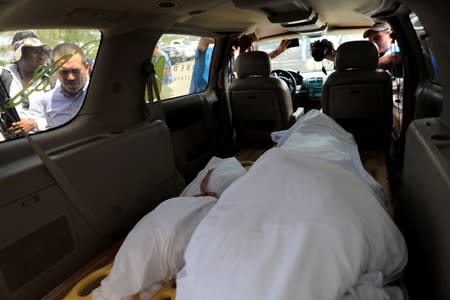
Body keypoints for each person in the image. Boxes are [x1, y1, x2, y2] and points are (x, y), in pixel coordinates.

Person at [1, 31, 51, 137]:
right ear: (20, 53)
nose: (41, 57)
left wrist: (35, 124)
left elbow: (63, 114)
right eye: (35, 51)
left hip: (45, 140)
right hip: (11, 143)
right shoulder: (4, 76)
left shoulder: (52, 80)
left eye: (42, 52)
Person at [40, 43, 90, 128]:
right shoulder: (48, 100)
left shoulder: (100, 94)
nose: (70, 77)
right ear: (55, 71)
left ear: (86, 67)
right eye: (64, 72)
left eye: (75, 71)